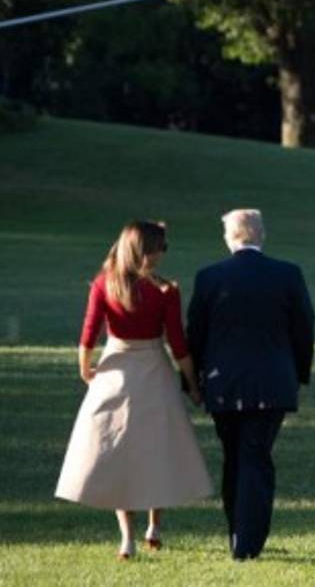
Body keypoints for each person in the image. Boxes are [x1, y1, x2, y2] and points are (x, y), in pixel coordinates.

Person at [55, 220, 212, 561]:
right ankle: (154, 526)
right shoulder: (165, 291)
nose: (162, 254)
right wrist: (194, 386)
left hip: (116, 369)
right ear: (146, 251)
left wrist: (85, 369)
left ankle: (126, 539)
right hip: (154, 369)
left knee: (120, 455)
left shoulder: (103, 284)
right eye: (161, 247)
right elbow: (178, 344)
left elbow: (89, 332)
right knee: (158, 450)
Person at [186, 208, 315, 561]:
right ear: (261, 235)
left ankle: (238, 535)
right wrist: (299, 374)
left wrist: (192, 381)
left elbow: (195, 333)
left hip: (222, 384)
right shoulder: (287, 274)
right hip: (273, 383)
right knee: (256, 457)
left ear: (229, 238)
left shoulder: (210, 277)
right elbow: (304, 327)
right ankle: (248, 541)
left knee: (233, 457)